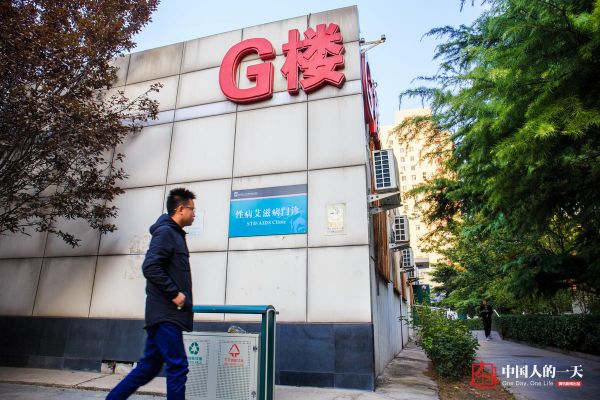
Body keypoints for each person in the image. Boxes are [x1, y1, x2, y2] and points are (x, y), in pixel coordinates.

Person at [107, 188, 196, 400]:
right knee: (178, 366)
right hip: (166, 314)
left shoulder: (174, 234)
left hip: (163, 314)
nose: (195, 214)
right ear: (180, 209)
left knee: (148, 367)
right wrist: (174, 293)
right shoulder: (166, 233)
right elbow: (150, 266)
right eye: (192, 209)